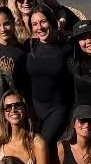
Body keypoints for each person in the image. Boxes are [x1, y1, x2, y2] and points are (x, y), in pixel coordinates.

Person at [26, 9, 74, 146]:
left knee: (43, 145)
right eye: (34, 24)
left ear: (52, 22)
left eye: (43, 22)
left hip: (57, 109)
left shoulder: (66, 49)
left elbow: (74, 83)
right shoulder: (29, 47)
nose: (39, 27)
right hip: (34, 109)